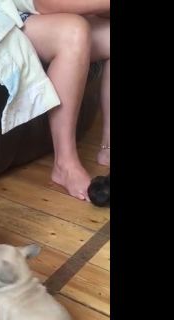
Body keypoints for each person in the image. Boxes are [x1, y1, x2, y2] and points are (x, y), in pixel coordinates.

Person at [22, 0, 110, 201]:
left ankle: (108, 146)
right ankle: (64, 164)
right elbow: (43, 4)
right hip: (3, 12)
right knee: (73, 31)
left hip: (42, 15)